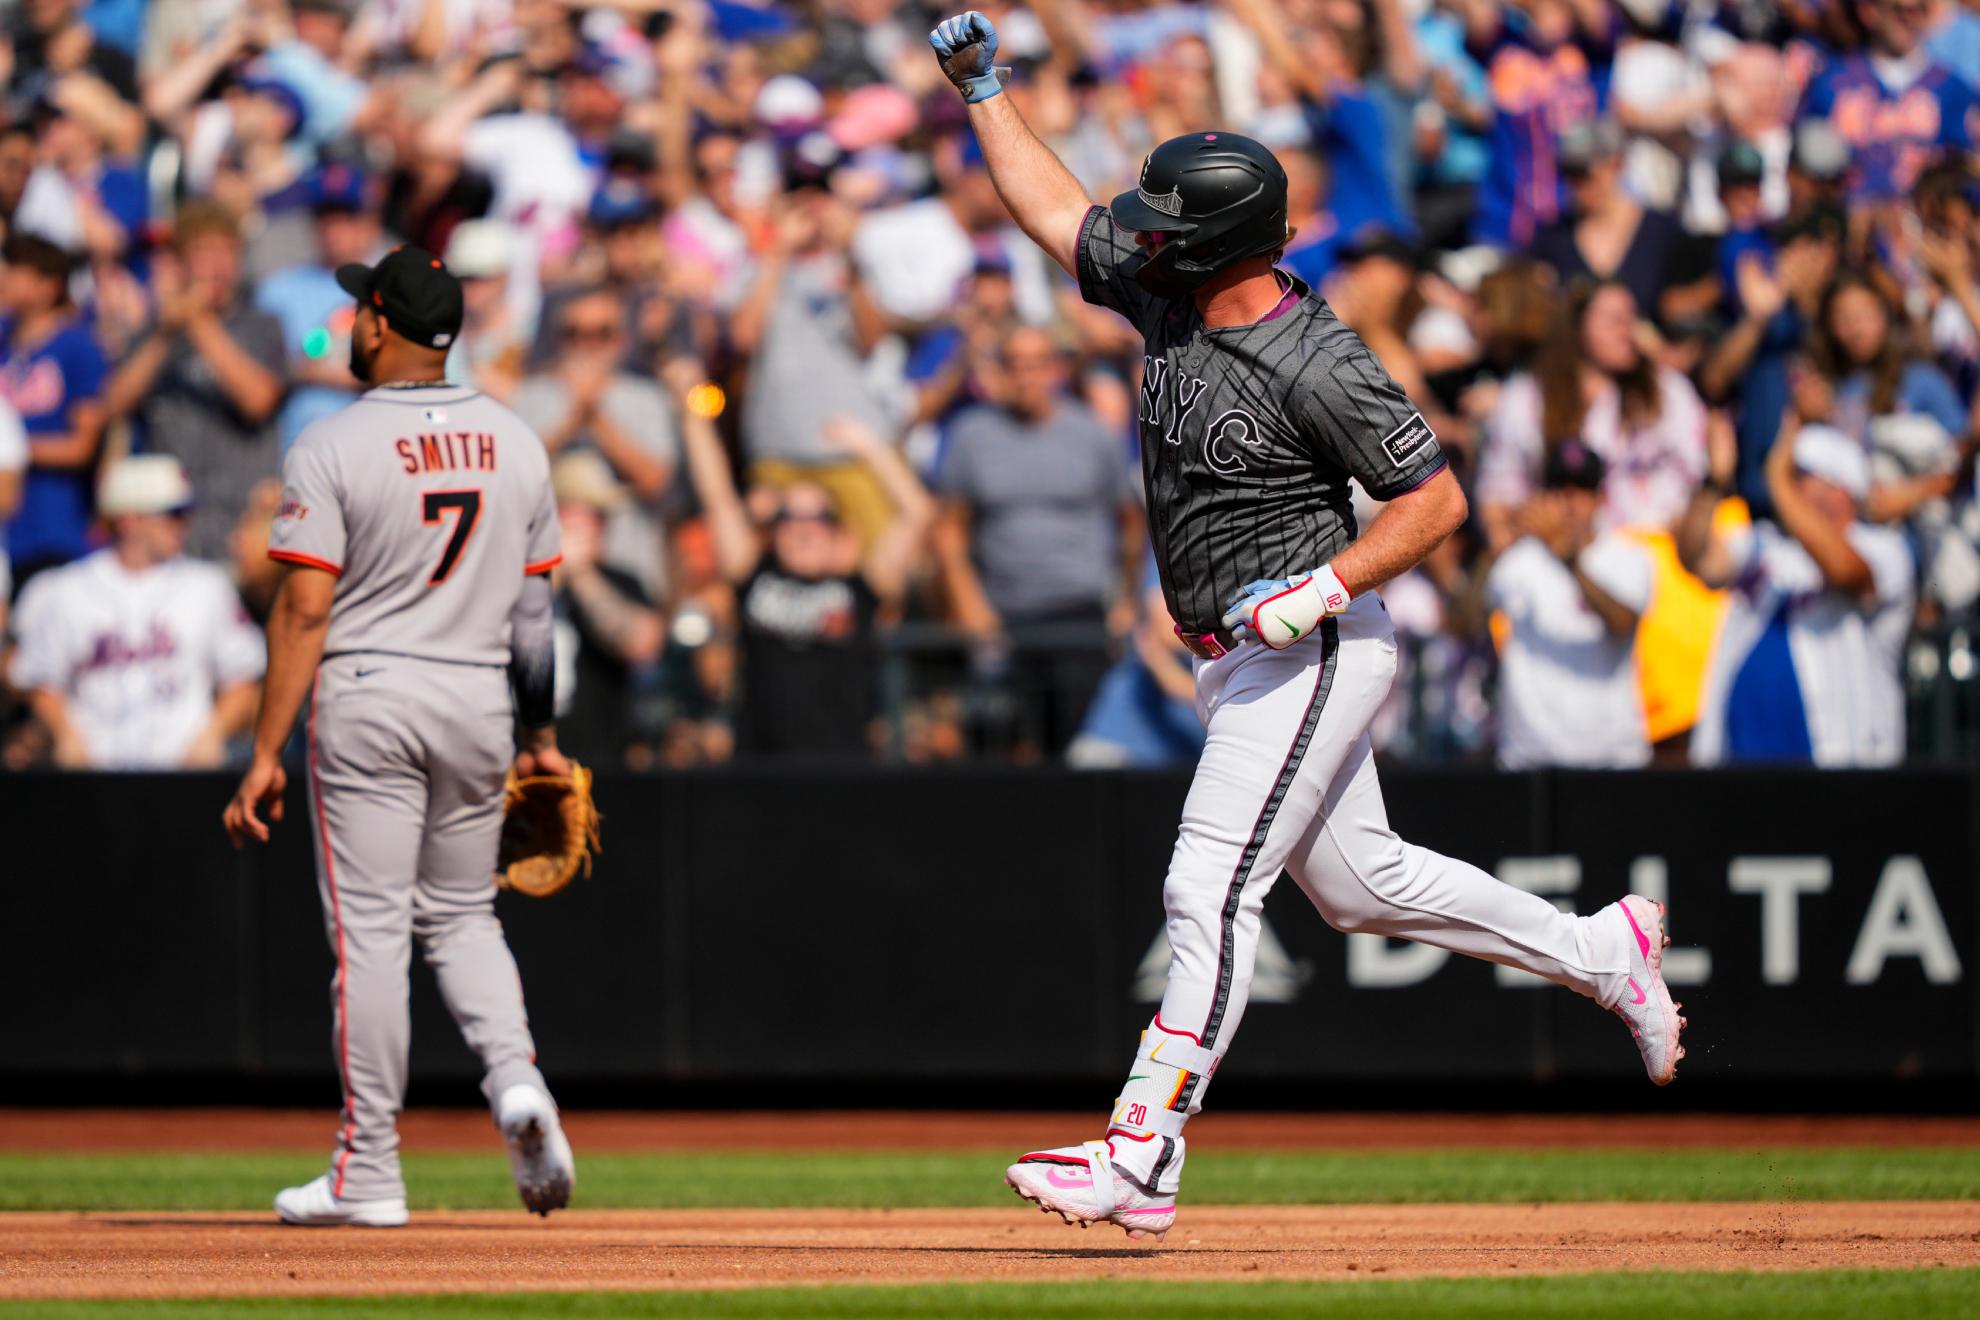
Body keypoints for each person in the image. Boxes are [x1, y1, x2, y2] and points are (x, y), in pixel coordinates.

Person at [928, 9, 1685, 1242]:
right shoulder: (1173, 292)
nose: (1139, 237)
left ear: (1218, 241)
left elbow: (1434, 498)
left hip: (1310, 645)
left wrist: (1326, 589)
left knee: (1207, 886)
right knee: (1364, 885)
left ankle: (1143, 1147)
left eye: (1165, 224)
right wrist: (987, 94)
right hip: (1236, 656)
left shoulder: (1318, 358)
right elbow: (1057, 209)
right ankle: (1605, 953)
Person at [221, 246, 576, 1226]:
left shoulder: (331, 444)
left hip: (372, 690)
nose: (349, 326)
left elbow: (301, 611)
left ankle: (369, 1167)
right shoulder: (516, 437)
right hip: (478, 699)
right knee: (464, 917)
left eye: (357, 311)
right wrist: (540, 735)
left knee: (371, 938)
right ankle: (515, 1080)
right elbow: (535, 616)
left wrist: (262, 752)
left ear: (381, 323)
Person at [678, 360, 934, 758]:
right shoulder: (753, 574)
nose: (803, 528)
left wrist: (868, 446)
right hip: (760, 770)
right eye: (788, 517)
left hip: (841, 773)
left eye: (819, 517)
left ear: (838, 534)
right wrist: (694, 416)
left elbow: (916, 513)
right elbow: (718, 497)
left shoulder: (860, 588)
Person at [935, 325, 1143, 759]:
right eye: (1016, 364)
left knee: (1073, 746)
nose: (1027, 376)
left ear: (1057, 369)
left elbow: (1130, 522)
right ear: (1000, 372)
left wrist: (1125, 600)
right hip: (1001, 617)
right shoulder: (970, 435)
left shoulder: (1094, 435)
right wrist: (968, 603)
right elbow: (949, 531)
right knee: (996, 747)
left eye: (1038, 364)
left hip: (1078, 615)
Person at [1681, 419, 1915, 765]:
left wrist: (1775, 476)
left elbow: (1845, 570)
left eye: (1801, 475)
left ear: (1841, 489)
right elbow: (1697, 559)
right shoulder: (1767, 543)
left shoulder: (1884, 549)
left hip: (1840, 767)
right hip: (1740, 763)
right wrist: (1713, 483)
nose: (1790, 485)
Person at [8, 455, 264, 768]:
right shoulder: (66, 589)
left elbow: (243, 676)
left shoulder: (208, 585)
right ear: (129, 519)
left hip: (183, 773)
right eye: (172, 513)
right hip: (95, 778)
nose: (184, 523)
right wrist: (65, 733)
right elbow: (39, 679)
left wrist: (213, 734)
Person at [103, 202, 287, 562]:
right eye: (205, 252)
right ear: (179, 262)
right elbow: (112, 406)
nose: (219, 265)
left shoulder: (262, 325)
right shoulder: (154, 335)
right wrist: (165, 334)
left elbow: (258, 400)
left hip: (241, 522)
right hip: (170, 527)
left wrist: (199, 323)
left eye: (229, 252)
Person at [1468, 441, 1654, 768]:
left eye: (1580, 489)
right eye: (1558, 489)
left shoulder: (1630, 556)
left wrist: (1564, 554)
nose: (1569, 503)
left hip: (1612, 758)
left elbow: (1621, 621)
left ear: (1600, 499)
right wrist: (1491, 553)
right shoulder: (1518, 560)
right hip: (1528, 759)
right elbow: (1463, 623)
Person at [511, 287, 677, 600]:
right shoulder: (530, 395)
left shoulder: (648, 399)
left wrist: (596, 418)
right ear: (559, 338)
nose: (588, 344)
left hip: (628, 568)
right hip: (546, 570)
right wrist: (571, 421)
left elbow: (656, 481)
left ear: (622, 339)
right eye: (575, 333)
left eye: (602, 333)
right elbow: (514, 479)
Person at [0, 234, 106, 586]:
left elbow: (81, 445)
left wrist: (11, 451)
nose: (5, 277)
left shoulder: (79, 345)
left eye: (17, 270)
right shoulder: (3, 337)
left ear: (49, 285)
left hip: (53, 527)